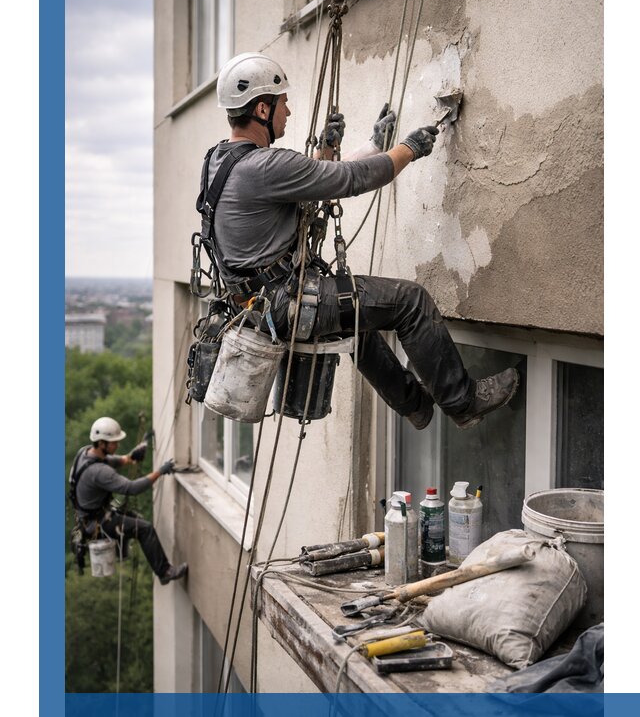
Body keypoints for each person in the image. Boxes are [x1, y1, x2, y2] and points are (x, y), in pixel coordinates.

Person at [198, 52, 519, 431]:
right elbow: (350, 179)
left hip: (256, 304)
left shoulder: (218, 159)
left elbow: (302, 183)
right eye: (283, 103)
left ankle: (415, 404)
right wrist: (408, 149)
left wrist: (364, 146)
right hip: (285, 301)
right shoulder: (265, 165)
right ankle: (462, 401)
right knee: (409, 301)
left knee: (355, 323)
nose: (289, 110)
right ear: (263, 110)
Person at [69, 416, 188, 585]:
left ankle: (126, 548)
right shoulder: (99, 471)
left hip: (90, 518)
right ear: (102, 443)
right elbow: (132, 488)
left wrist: (132, 456)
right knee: (144, 528)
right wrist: (160, 471)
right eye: (113, 442)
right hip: (98, 523)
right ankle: (165, 572)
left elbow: (113, 461)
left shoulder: (86, 453)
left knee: (135, 519)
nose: (117, 445)